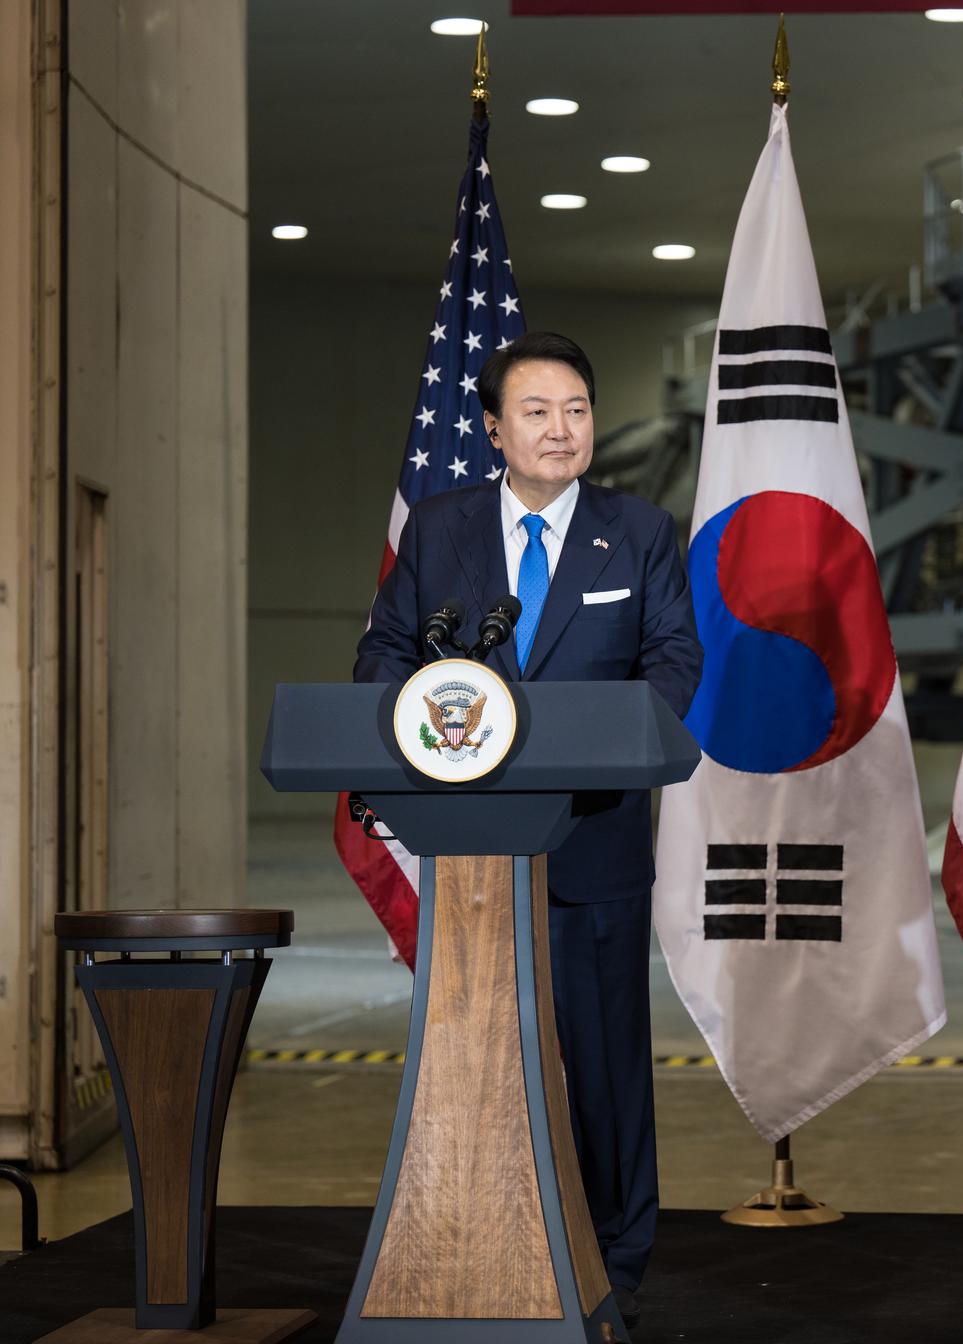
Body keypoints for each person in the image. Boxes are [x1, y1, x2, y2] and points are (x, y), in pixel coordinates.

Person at [353, 331, 701, 1331]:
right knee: (477, 1060)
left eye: (578, 410)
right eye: (538, 411)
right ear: (495, 429)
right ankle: (477, 1247)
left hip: (594, 843)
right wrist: (409, 735)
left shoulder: (641, 530)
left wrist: (608, 748)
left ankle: (614, 1268)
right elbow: (385, 651)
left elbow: (674, 661)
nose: (562, 428)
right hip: (471, 844)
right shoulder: (440, 529)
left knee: (605, 1072)